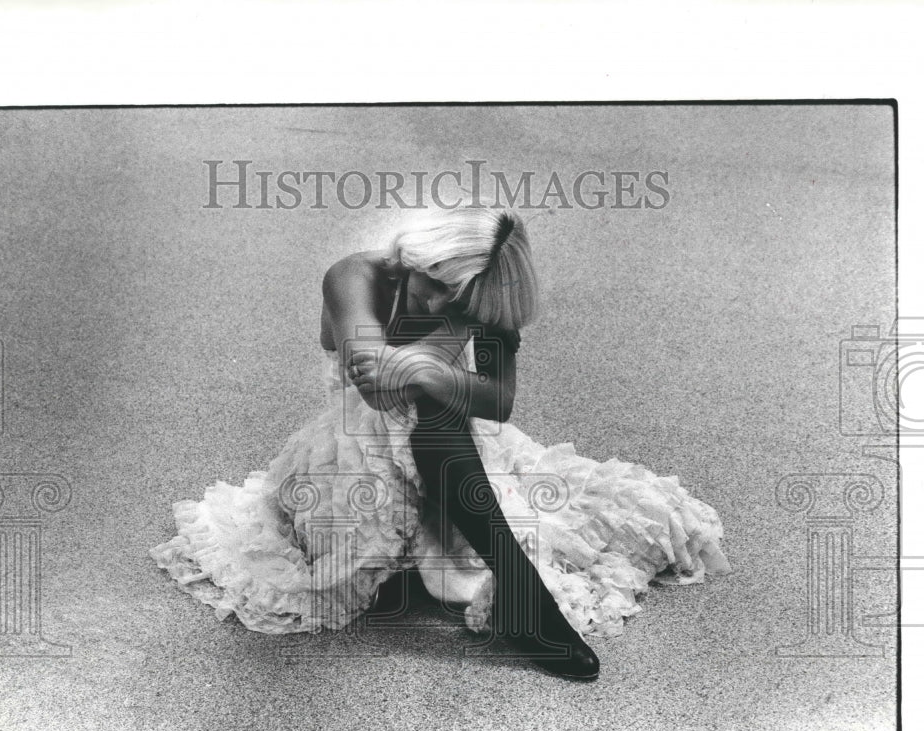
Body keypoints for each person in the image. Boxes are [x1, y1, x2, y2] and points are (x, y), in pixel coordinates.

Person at [150, 208, 730, 681]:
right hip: (350, 454)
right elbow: (375, 389)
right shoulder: (355, 275)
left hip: (457, 446)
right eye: (433, 285)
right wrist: (446, 357)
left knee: (437, 414)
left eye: (456, 300)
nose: (435, 304)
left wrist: (434, 359)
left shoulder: (475, 295)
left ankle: (521, 597)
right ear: (417, 257)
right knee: (431, 412)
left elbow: (498, 401)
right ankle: (524, 601)